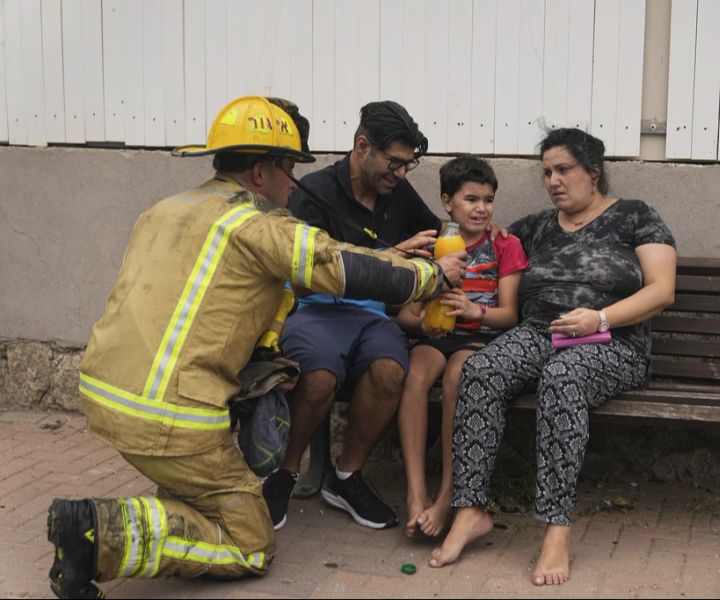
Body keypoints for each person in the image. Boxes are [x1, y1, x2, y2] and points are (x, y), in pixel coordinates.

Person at [45, 96, 465, 600]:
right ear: (263, 172)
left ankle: (126, 523)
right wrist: (430, 275)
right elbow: (342, 266)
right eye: (289, 167)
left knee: (199, 495)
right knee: (251, 542)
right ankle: (96, 533)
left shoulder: (167, 208)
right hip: (169, 416)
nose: (295, 182)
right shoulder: (259, 225)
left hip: (104, 394)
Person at [429, 128, 677, 586]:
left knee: (562, 376)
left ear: (593, 172)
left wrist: (599, 319)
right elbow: (489, 239)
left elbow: (662, 291)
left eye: (563, 169)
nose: (553, 181)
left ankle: (557, 528)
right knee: (481, 370)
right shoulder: (538, 226)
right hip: (539, 331)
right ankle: (470, 510)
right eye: (546, 172)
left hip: (611, 343)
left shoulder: (635, 217)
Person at [263, 101, 446, 531]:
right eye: (395, 163)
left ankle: (346, 476)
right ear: (363, 146)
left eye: (408, 166)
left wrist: (478, 232)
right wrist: (390, 256)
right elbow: (304, 282)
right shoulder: (314, 191)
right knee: (319, 377)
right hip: (314, 311)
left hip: (372, 316)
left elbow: (436, 232)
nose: (401, 174)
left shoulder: (396, 190)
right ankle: (285, 473)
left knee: (389, 373)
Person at [395, 157, 527, 539]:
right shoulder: (434, 245)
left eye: (488, 200)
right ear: (447, 202)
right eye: (471, 199)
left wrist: (475, 311)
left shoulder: (505, 245)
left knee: (459, 377)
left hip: (480, 339)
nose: (481, 208)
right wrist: (424, 324)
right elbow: (406, 315)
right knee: (415, 376)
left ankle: (448, 494)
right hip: (437, 335)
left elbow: (510, 315)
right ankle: (416, 492)